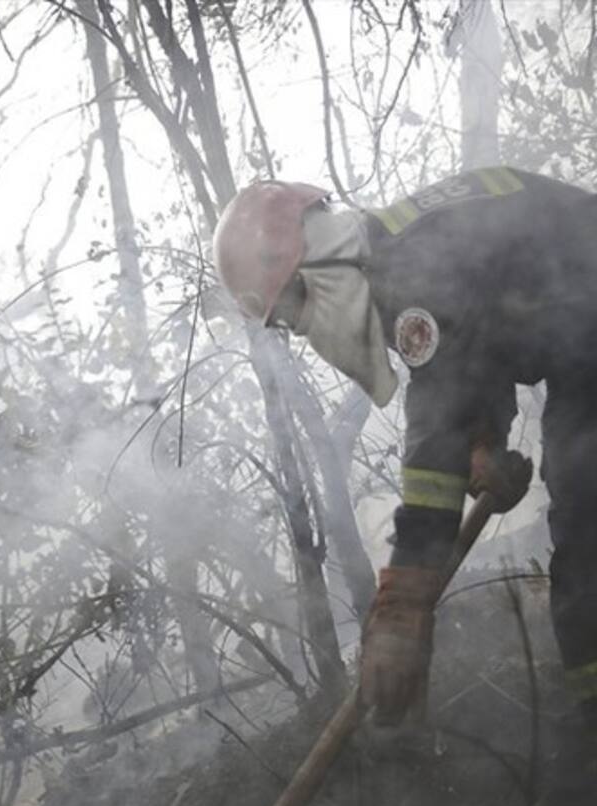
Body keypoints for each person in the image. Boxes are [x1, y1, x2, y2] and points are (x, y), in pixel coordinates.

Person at [211, 167, 597, 732]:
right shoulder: (401, 248)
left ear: (310, 271)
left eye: (291, 314)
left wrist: (404, 599)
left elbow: (438, 416)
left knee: (588, 519)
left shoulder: (406, 274)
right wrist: (484, 444)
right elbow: (477, 347)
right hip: (582, 349)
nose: (298, 331)